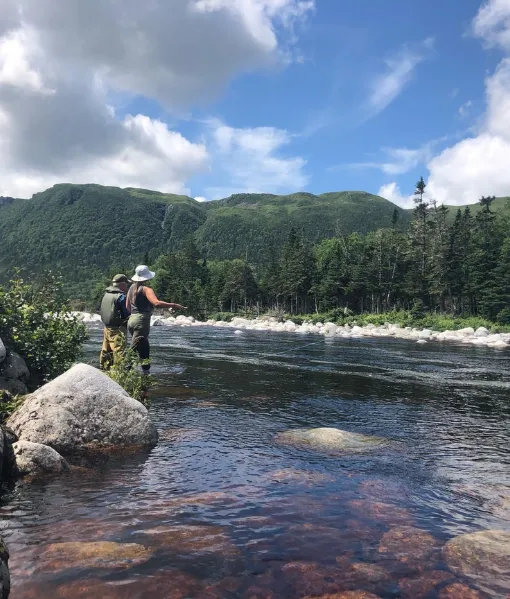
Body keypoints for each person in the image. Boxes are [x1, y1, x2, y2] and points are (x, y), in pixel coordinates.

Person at [127, 265, 187, 373]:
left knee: (143, 345)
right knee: (135, 346)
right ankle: (124, 369)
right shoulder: (147, 289)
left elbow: (127, 306)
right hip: (142, 321)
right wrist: (174, 305)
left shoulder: (131, 288)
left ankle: (145, 373)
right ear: (147, 277)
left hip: (131, 320)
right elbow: (156, 303)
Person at [99, 274, 131, 370]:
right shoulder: (121, 296)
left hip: (106, 327)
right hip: (118, 329)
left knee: (106, 350)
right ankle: (119, 372)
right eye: (126, 284)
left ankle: (104, 369)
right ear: (122, 284)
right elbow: (126, 314)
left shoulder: (106, 294)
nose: (127, 286)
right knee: (119, 351)